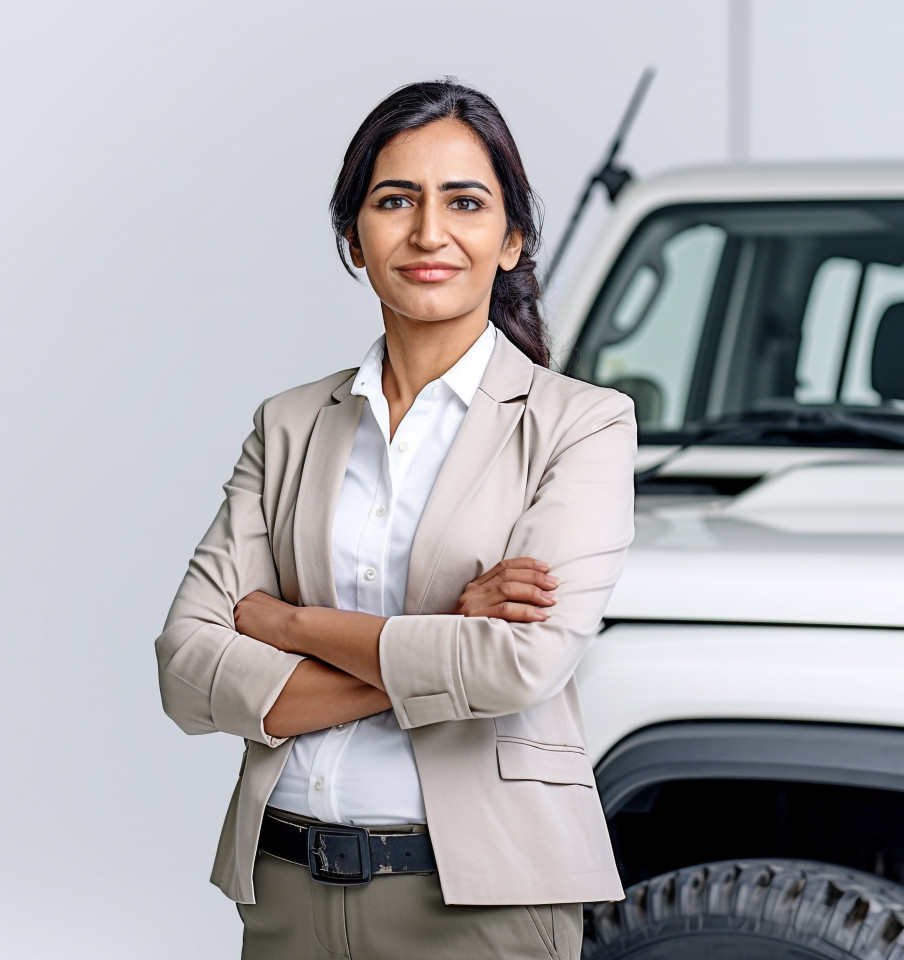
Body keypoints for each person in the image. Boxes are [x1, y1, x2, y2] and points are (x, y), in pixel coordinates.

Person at [156, 78, 636, 960]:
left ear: (511, 238)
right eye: (394, 201)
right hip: (286, 886)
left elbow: (520, 661)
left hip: (477, 901)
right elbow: (186, 668)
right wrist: (447, 628)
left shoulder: (582, 423)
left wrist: (292, 625)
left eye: (464, 201)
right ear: (353, 239)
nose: (427, 233)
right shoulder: (289, 422)